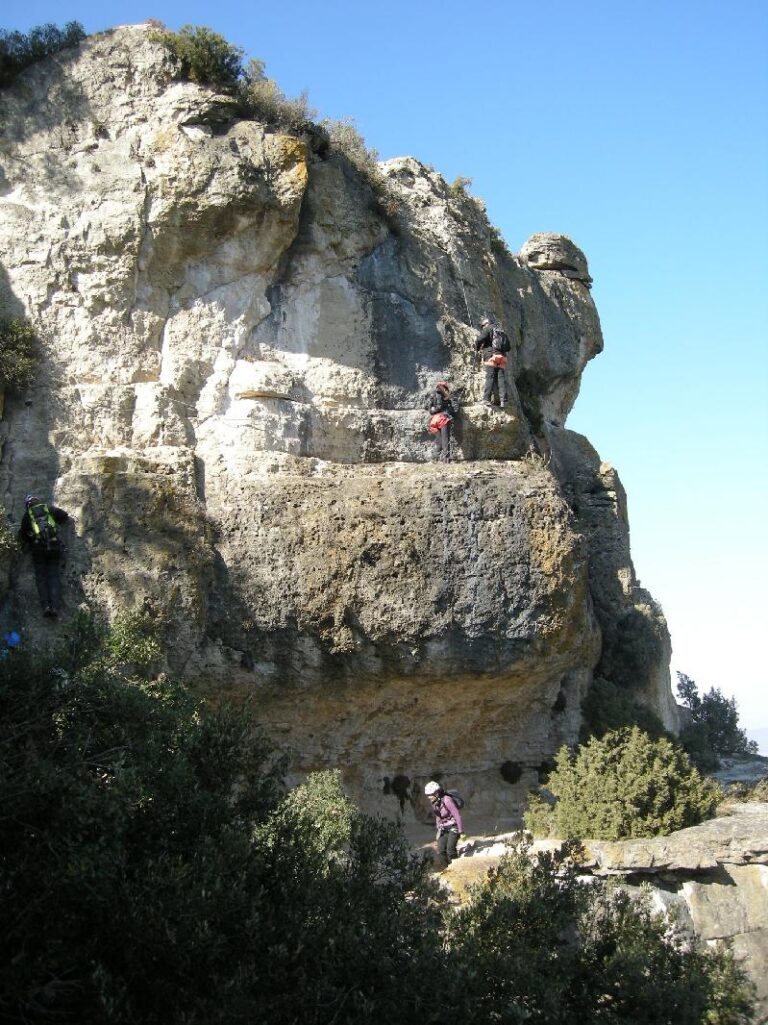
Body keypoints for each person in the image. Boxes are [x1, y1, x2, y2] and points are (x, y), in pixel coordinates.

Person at [18, 494, 70, 618]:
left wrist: (30, 539)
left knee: (41, 578)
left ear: (27, 506)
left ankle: (46, 606)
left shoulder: (27, 516)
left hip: (38, 550)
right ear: (38, 501)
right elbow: (64, 515)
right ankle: (55, 607)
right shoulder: (48, 509)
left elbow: (23, 535)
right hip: (54, 547)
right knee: (53, 576)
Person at [424, 780, 463, 868]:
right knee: (441, 851)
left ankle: (457, 868)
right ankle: (447, 869)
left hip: (454, 826)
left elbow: (457, 814)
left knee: (450, 850)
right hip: (443, 828)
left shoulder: (447, 800)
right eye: (427, 795)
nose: (429, 797)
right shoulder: (435, 802)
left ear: (437, 793)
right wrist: (438, 829)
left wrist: (460, 830)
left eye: (430, 794)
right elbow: (438, 816)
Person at [475, 315, 510, 408]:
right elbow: (508, 347)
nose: (482, 328)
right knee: (501, 379)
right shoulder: (501, 330)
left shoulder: (488, 328)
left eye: (482, 326)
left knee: (490, 377)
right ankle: (504, 401)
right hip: (502, 357)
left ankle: (486, 399)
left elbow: (479, 339)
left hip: (491, 356)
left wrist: (477, 348)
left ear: (486, 323)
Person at [427, 381, 457, 463]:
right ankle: (445, 460)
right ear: (445, 387)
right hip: (443, 419)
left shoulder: (432, 395)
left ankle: (434, 459)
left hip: (433, 421)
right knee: (445, 440)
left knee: (439, 441)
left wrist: (434, 410)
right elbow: (455, 409)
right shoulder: (448, 395)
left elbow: (430, 409)